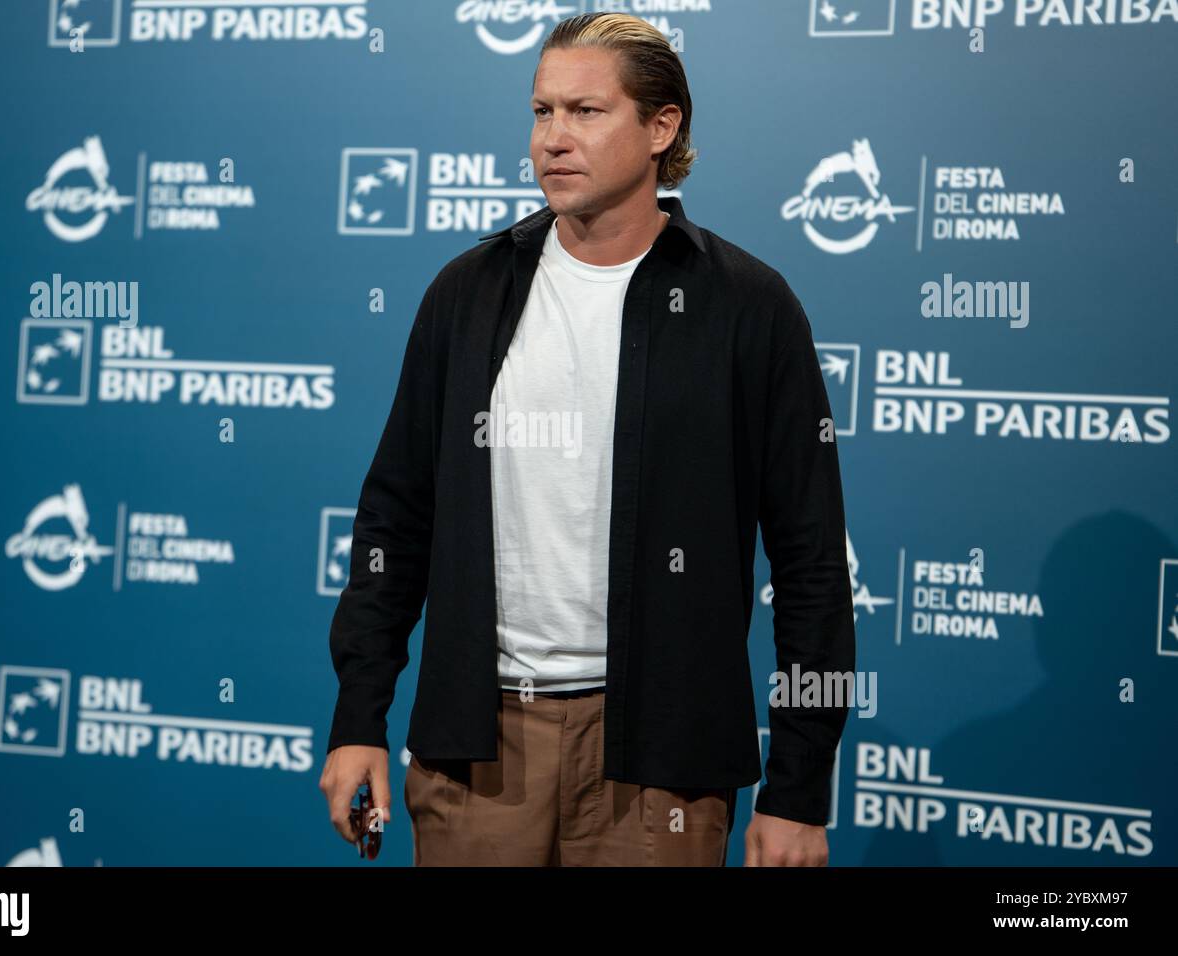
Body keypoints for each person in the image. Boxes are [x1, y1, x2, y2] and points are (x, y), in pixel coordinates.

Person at [319, 12, 856, 866]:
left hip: (662, 768)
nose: (553, 139)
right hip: (478, 753)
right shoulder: (466, 294)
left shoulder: (748, 308)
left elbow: (813, 566)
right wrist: (359, 720)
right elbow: (395, 519)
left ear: (661, 128)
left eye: (585, 112)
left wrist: (799, 788)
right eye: (541, 112)